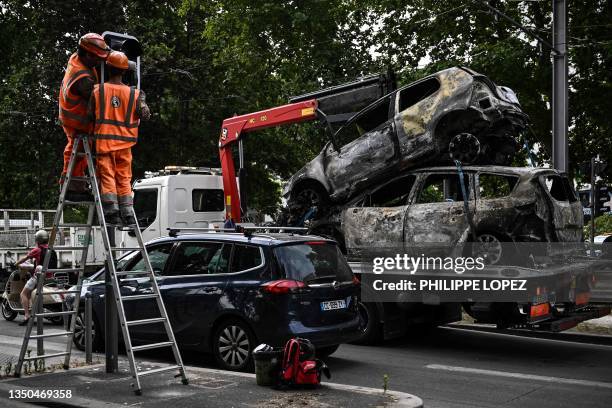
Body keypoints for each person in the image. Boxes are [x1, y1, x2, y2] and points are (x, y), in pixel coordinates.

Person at [89, 51, 150, 225]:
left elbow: (89, 116)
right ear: (124, 71)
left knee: (107, 176)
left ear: (108, 68)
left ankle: (112, 213)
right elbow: (145, 114)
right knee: (124, 178)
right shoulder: (136, 94)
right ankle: (129, 214)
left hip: (105, 143)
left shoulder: (97, 91)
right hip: (125, 143)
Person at [59, 33, 110, 201]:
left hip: (76, 119)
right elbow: (98, 99)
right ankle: (72, 189)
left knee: (79, 150)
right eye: (97, 58)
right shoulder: (82, 77)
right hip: (76, 119)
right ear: (87, 54)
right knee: (77, 149)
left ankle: (76, 187)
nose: (99, 62)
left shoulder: (79, 58)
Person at [14, 230, 50, 326]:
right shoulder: (51, 249)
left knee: (23, 294)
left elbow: (25, 258)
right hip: (50, 275)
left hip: (39, 277)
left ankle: (26, 315)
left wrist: (16, 263)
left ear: (37, 240)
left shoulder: (37, 250)